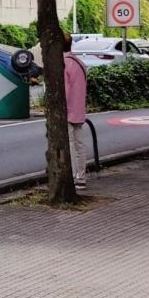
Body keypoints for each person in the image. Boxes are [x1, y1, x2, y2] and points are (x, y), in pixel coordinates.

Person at [63, 31, 89, 191]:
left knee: (71, 145)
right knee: (80, 145)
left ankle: (72, 177)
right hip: (79, 109)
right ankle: (81, 177)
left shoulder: (63, 63)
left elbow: (64, 91)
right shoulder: (80, 62)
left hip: (67, 111)